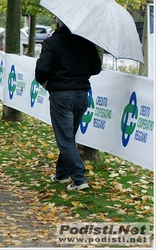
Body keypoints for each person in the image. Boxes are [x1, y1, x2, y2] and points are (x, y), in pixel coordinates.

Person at [35, 18, 102, 191]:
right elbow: (96, 68)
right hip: (82, 95)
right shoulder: (87, 41)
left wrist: (46, 81)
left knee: (65, 139)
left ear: (58, 24)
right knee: (69, 137)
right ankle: (62, 174)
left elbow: (42, 69)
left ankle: (80, 179)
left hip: (61, 95)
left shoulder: (52, 42)